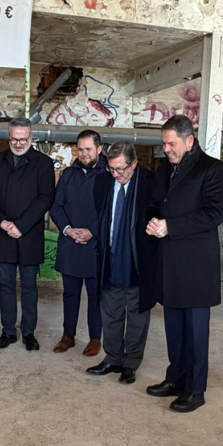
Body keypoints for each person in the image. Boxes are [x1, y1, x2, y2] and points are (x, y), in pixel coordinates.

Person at [145, 115, 223, 414]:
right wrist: (153, 221)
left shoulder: (211, 169)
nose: (166, 149)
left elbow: (213, 214)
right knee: (175, 329)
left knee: (195, 332)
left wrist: (171, 227)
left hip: (196, 266)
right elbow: (156, 203)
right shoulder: (165, 168)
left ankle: (196, 389)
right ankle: (176, 379)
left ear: (189, 140)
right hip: (170, 261)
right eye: (164, 143)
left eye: (171, 144)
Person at [86, 142, 158, 385]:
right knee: (111, 313)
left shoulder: (150, 182)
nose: (117, 175)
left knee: (137, 316)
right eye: (112, 169)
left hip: (138, 262)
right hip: (110, 258)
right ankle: (113, 358)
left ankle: (130, 363)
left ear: (134, 164)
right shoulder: (103, 182)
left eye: (122, 169)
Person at [0, 118, 55, 351]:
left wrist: (20, 225)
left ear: (31, 138)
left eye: (23, 139)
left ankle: (29, 332)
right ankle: (8, 331)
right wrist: (3, 222)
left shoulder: (43, 163)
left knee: (30, 285)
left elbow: (45, 198)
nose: (19, 143)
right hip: (2, 233)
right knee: (6, 285)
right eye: (14, 139)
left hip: (28, 233)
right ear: (8, 137)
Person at [49, 130, 108, 355]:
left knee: (95, 295)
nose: (83, 154)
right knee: (70, 294)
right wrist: (68, 230)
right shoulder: (68, 175)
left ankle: (95, 339)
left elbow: (110, 211)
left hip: (96, 245)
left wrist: (92, 231)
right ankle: (68, 336)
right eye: (80, 149)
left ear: (99, 149)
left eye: (88, 149)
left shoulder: (108, 174)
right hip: (71, 243)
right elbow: (56, 206)